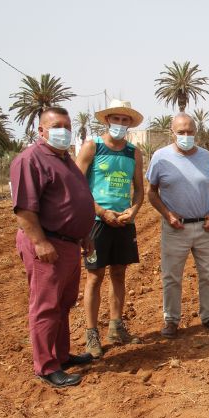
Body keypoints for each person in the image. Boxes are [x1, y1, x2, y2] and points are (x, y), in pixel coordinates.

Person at [10, 107, 95, 387]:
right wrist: (40, 242)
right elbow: (24, 208)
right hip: (48, 244)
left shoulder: (65, 159)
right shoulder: (30, 160)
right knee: (46, 306)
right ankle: (46, 366)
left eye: (67, 126)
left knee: (63, 303)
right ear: (41, 130)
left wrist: (85, 234)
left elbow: (75, 199)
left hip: (69, 244)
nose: (64, 131)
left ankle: (60, 355)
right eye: (57, 125)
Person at [146, 113, 209, 339]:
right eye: (181, 132)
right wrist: (168, 214)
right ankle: (171, 320)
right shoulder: (160, 157)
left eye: (190, 132)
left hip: (205, 227)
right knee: (172, 276)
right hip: (176, 228)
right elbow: (151, 193)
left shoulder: (205, 157)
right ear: (172, 133)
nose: (186, 136)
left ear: (196, 132)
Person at [76, 100, 145, 358]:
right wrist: (101, 212)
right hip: (96, 223)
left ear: (129, 123)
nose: (120, 124)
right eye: (116, 119)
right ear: (107, 121)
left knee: (119, 273)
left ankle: (116, 327)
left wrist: (133, 210)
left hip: (124, 222)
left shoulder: (133, 153)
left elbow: (139, 188)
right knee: (95, 276)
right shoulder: (93, 146)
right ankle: (91, 334)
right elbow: (78, 185)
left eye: (125, 120)